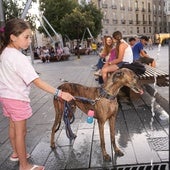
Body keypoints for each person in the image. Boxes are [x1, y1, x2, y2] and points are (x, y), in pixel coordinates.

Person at [0, 18, 74, 170]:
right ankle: (24, 165)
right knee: (21, 132)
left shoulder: (5, 53)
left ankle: (16, 153)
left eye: (30, 37)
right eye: (26, 37)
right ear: (13, 37)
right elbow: (37, 81)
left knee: (13, 127)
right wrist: (61, 93)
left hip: (6, 97)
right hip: (17, 99)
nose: (29, 41)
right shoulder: (19, 58)